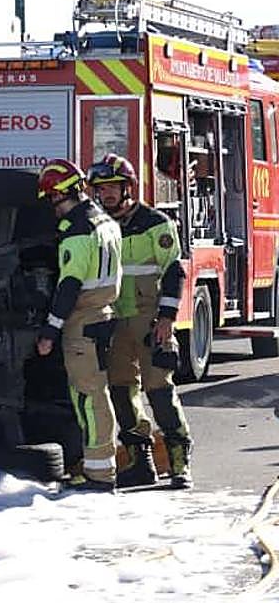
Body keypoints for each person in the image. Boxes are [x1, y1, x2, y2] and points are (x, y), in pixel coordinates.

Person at [88, 154, 192, 489]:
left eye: (112, 187)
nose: (106, 194)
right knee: (121, 391)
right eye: (101, 188)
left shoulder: (155, 223)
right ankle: (139, 462)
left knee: (159, 390)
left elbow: (174, 271)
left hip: (150, 321)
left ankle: (179, 463)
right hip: (116, 321)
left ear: (127, 188)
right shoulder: (99, 226)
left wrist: (167, 318)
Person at [36, 159, 123, 492]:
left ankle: (99, 474)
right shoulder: (106, 221)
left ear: (61, 194)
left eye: (51, 199)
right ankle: (100, 465)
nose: (52, 207)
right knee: (96, 393)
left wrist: (50, 330)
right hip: (104, 314)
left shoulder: (77, 231)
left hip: (82, 321)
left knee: (88, 396)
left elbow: (69, 286)